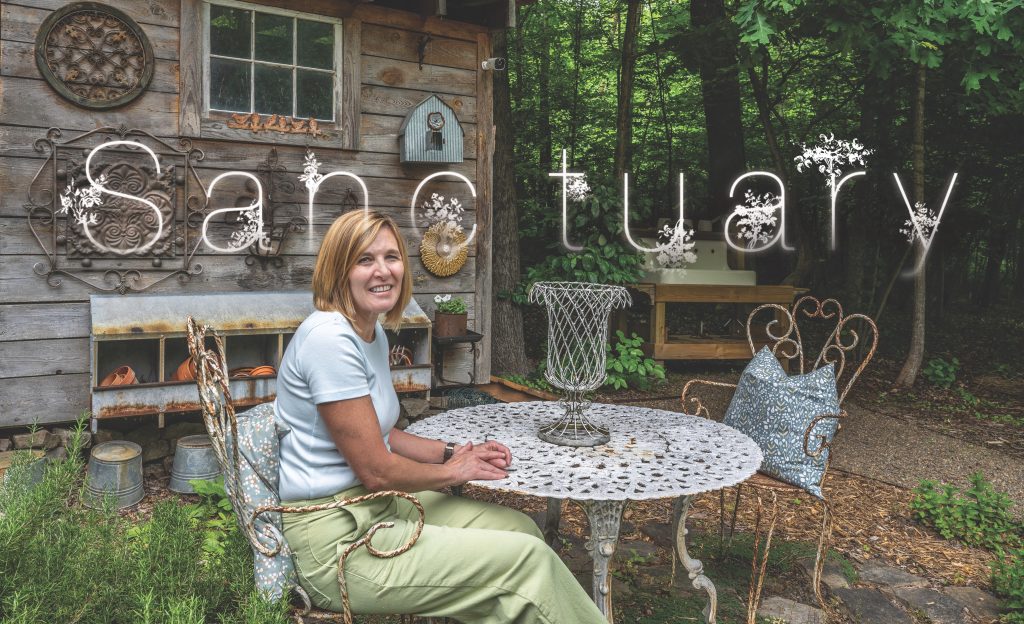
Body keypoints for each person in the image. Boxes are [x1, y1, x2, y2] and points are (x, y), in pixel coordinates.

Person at [276, 210, 607, 623]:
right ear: (338, 271)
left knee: (521, 530)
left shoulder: (370, 333)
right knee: (526, 562)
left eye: (391, 257)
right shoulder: (329, 338)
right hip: (336, 540)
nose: (383, 271)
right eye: (364, 260)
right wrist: (453, 473)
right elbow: (376, 470)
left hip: (376, 506)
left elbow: (381, 433)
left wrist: (454, 452)